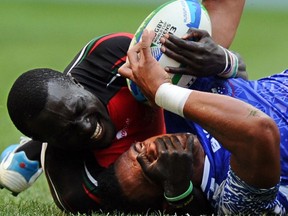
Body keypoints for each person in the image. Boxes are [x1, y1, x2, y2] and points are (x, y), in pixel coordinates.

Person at [1, 0, 246, 213]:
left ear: (78, 84)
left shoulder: (109, 57)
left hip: (153, 105)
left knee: (200, 55)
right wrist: (177, 188)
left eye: (79, 108)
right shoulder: (76, 188)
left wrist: (225, 61)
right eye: (66, 133)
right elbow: (183, 204)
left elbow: (236, 87)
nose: (87, 127)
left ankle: (32, 149)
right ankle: (36, 148)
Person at [116, 28, 288, 214]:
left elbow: (240, 83)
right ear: (169, 195)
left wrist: (225, 61)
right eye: (149, 171)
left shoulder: (173, 113)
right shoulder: (231, 201)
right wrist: (162, 91)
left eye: (140, 148)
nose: (151, 149)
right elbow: (260, 130)